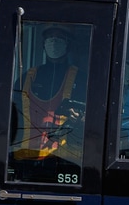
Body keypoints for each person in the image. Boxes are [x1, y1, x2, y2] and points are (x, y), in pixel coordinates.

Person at [14, 25, 84, 162]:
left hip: (65, 161)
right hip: (27, 158)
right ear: (43, 44)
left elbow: (92, 120)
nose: (53, 41)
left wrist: (80, 120)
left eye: (59, 38)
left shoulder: (81, 80)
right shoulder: (26, 78)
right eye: (50, 37)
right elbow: (13, 117)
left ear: (68, 45)